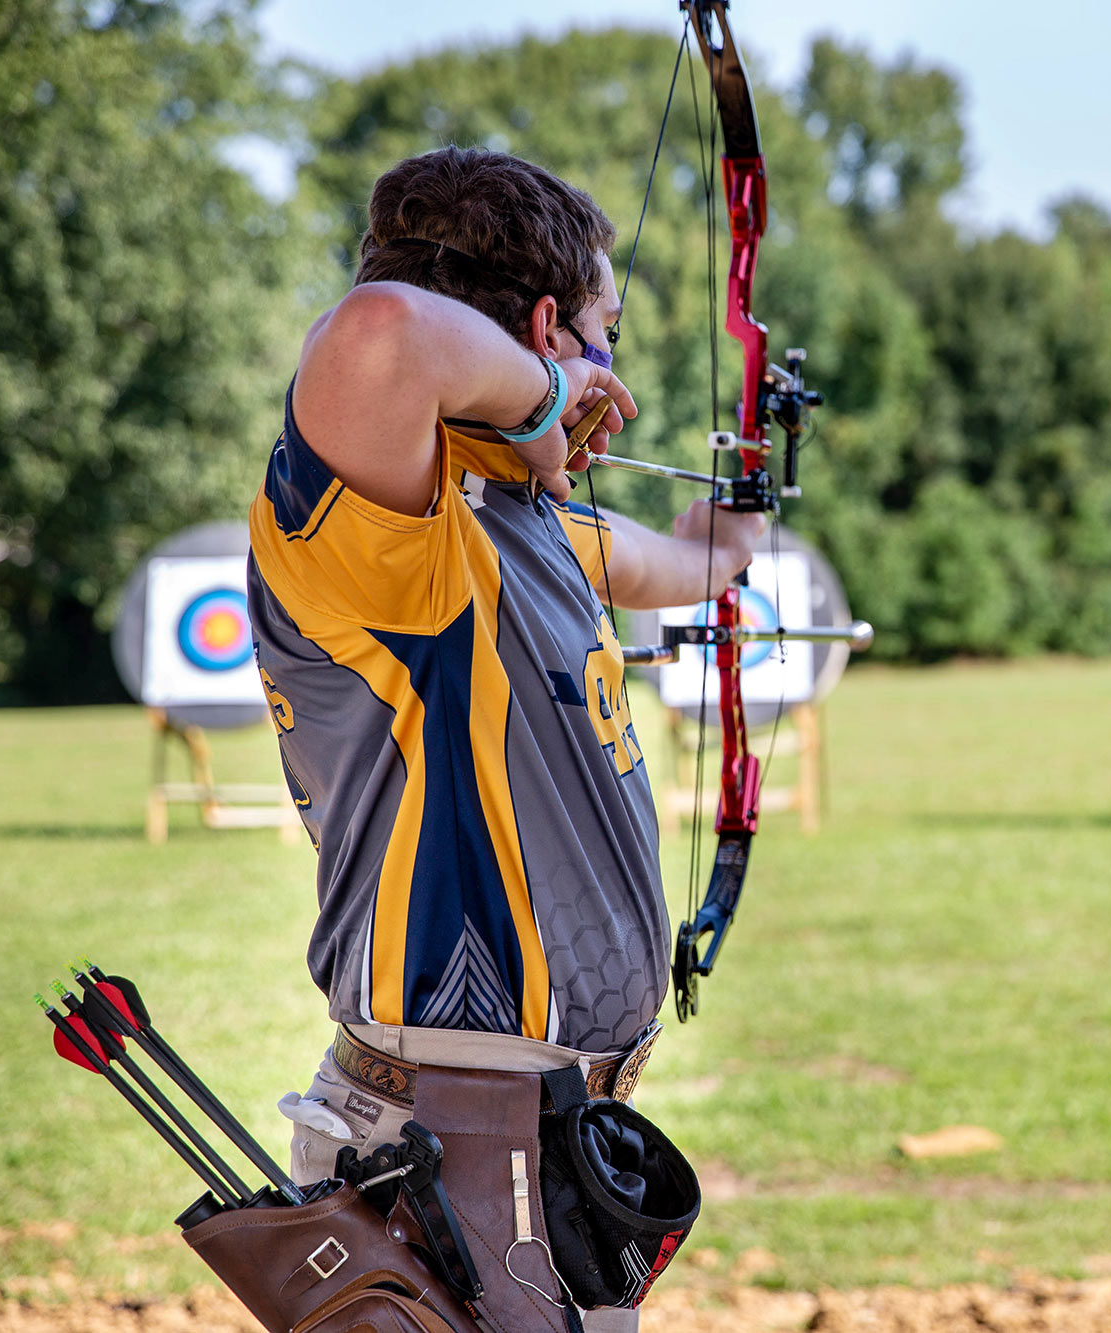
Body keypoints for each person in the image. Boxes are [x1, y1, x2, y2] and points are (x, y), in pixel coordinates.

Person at [246, 146, 761, 1330]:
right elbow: (378, 331)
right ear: (546, 324)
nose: (612, 367)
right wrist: (541, 397)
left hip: (555, 1154)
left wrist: (729, 542)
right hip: (439, 1149)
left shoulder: (535, 523)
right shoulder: (397, 532)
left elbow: (665, 563)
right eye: (603, 330)